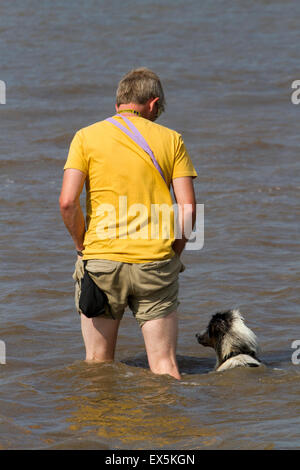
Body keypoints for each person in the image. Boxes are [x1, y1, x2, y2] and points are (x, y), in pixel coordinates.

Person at [59, 68, 197, 380]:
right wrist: (175, 252)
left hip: (101, 262)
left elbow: (67, 202)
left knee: (98, 365)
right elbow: (188, 210)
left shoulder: (86, 137)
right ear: (153, 103)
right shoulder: (172, 140)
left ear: (120, 101)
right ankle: (170, 427)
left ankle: (103, 427)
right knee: (164, 366)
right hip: (155, 263)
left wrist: (83, 247)